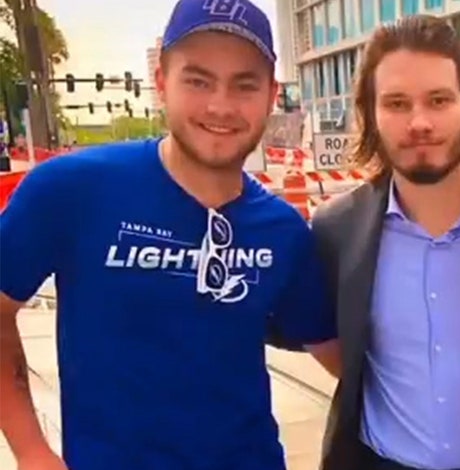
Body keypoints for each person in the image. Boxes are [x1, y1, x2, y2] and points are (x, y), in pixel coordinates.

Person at [0, 0, 339, 469]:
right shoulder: (71, 189)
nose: (220, 106)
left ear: (270, 95)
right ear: (161, 82)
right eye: (198, 80)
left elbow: (341, 355)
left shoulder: (283, 231)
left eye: (244, 85)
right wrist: (32, 451)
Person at [308, 14, 460, 470]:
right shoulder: (335, 231)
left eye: (439, 100)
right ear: (371, 113)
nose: (419, 122)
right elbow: (334, 350)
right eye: (397, 103)